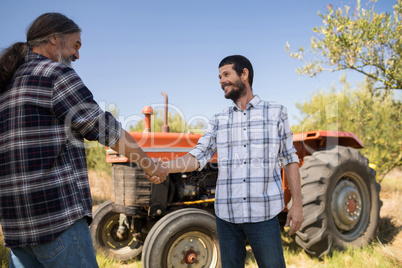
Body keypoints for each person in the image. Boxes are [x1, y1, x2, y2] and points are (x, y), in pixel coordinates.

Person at [0, 13, 167, 267]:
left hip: (16, 228)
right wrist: (148, 165)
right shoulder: (54, 74)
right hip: (56, 222)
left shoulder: (7, 83)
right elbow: (107, 130)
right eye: (76, 45)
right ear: (54, 38)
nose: (77, 55)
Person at [159, 55, 303, 267]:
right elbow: (198, 156)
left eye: (226, 74)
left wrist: (297, 204)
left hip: (263, 215)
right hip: (227, 218)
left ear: (244, 74)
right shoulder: (219, 119)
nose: (221, 81)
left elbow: (290, 160)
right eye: (219, 77)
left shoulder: (276, 113)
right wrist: (164, 167)